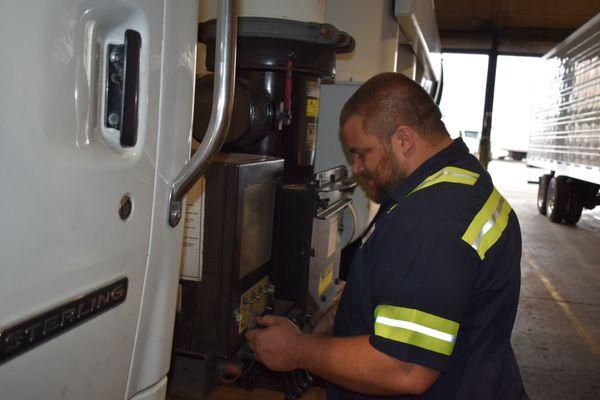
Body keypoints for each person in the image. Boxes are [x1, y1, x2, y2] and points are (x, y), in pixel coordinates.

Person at [246, 72, 528, 399]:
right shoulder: (458, 180)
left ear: (403, 140)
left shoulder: (432, 220)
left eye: (362, 153)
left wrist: (298, 350)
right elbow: (399, 287)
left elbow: (404, 368)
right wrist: (328, 324)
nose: (356, 167)